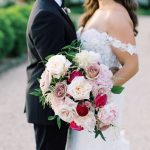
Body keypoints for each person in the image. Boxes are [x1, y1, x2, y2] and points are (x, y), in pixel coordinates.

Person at [67, 0, 139, 149]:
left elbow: (132, 65)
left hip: (101, 106)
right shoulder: (96, 11)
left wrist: (98, 96)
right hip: (84, 104)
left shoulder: (116, 14)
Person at [25, 0, 76, 149]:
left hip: (53, 104)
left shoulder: (49, 6)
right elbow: (57, 67)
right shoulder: (46, 14)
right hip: (49, 105)